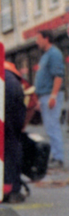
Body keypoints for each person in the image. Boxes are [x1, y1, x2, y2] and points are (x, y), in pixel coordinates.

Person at [35, 30, 65, 169]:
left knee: (53, 126)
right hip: (44, 96)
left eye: (39, 38)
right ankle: (55, 156)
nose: (37, 41)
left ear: (46, 39)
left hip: (50, 95)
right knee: (50, 127)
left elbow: (58, 76)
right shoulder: (46, 55)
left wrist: (53, 96)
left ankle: (58, 158)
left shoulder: (54, 54)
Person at [3, 62, 27, 203]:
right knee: (13, 143)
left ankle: (10, 188)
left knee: (8, 145)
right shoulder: (10, 70)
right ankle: (14, 189)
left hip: (6, 92)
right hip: (14, 92)